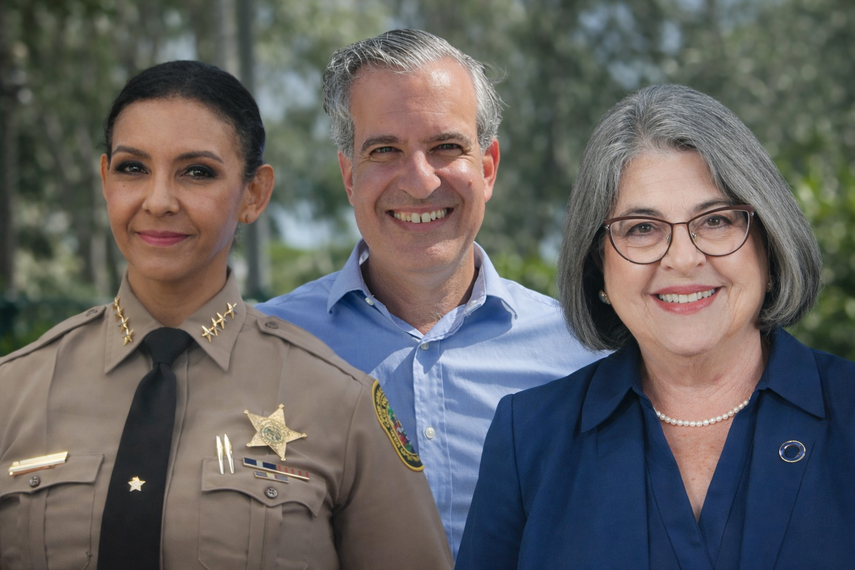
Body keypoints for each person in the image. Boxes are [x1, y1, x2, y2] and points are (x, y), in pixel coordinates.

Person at [0, 60, 452, 569]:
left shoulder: (340, 405)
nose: (159, 201)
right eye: (133, 168)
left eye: (198, 172)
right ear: (106, 180)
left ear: (254, 194)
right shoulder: (13, 394)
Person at [456, 83, 855, 569]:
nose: (683, 259)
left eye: (716, 220)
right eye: (642, 228)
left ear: (768, 242)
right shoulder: (528, 438)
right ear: (598, 264)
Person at [256, 29, 601, 557]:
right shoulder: (262, 350)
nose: (419, 182)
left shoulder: (583, 357)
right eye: (384, 150)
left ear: (487, 168)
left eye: (446, 147)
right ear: (349, 177)